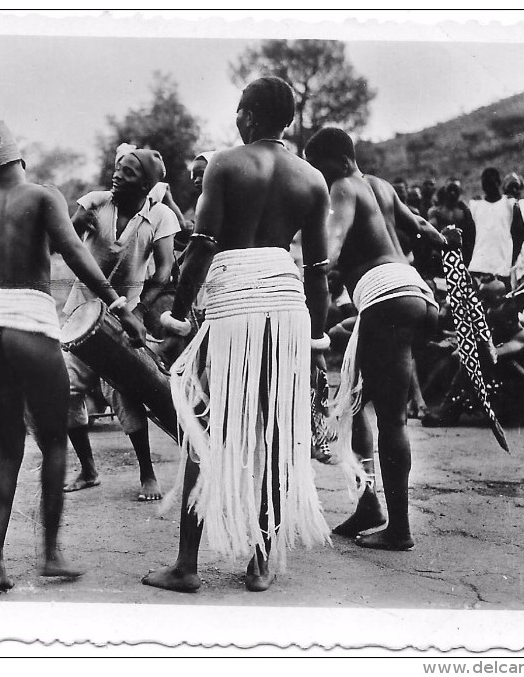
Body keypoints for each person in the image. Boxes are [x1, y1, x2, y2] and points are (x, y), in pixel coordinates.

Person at [142, 77, 332, 593]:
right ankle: (262, 561)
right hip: (288, 309)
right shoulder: (313, 179)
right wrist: (315, 342)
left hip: (235, 309)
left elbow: (202, 245)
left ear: (248, 115)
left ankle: (186, 565)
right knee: (274, 435)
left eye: (239, 109)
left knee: (207, 430)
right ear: (289, 121)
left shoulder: (226, 163)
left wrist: (178, 317)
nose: (235, 117)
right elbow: (316, 271)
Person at [0, 121, 146, 593]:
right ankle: (50, 555)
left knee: (7, 448)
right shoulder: (43, 196)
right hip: (30, 322)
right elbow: (76, 252)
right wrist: (119, 304)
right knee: (55, 441)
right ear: (19, 159)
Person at [304, 127, 445, 551]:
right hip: (415, 294)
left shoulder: (344, 188)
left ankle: (399, 530)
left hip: (385, 297)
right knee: (355, 398)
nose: (319, 178)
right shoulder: (381, 186)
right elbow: (424, 229)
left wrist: (306, 271)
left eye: (320, 168)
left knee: (392, 418)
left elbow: (331, 248)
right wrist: (442, 240)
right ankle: (369, 502)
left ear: (340, 160)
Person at [60, 146, 180, 500]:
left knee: (126, 394)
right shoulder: (95, 203)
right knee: (67, 388)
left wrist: (139, 310)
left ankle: (147, 474)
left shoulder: (160, 217)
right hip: (81, 313)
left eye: (127, 173)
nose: (117, 176)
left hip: (125, 317)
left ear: (146, 184)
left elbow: (163, 272)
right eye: (117, 169)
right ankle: (88, 469)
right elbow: (66, 242)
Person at [467, 167, 524, 286]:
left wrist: (510, 260)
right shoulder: (475, 206)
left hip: (501, 269)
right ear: (482, 185)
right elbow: (469, 237)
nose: (488, 187)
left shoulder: (510, 205)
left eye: (492, 183)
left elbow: (519, 236)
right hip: (478, 266)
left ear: (499, 183)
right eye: (486, 184)